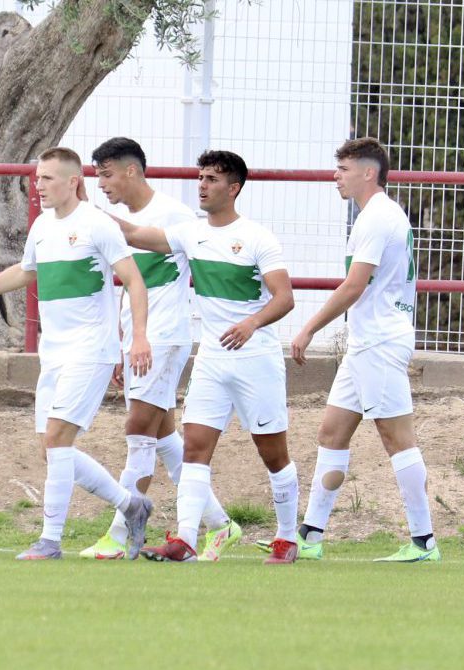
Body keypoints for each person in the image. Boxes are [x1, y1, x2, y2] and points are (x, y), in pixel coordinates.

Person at [0, 146, 154, 561]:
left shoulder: (97, 224)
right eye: (37, 178)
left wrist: (139, 338)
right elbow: (27, 271)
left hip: (91, 350)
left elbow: (134, 281)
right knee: (53, 449)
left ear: (72, 181)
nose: (38, 186)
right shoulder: (42, 225)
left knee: (59, 439)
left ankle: (50, 540)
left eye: (47, 178)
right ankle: (132, 504)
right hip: (54, 352)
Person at [114, 150, 301, 565]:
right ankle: (185, 540)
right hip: (213, 360)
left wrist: (251, 324)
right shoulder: (189, 232)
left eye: (212, 179)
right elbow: (136, 235)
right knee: (195, 449)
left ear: (233, 189)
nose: (201, 185)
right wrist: (86, 214)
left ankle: (288, 538)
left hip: (256, 361)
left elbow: (285, 297)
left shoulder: (257, 237)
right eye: (200, 177)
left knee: (273, 455)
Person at [78, 137, 241, 562]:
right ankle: (222, 525)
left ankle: (120, 530)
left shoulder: (173, 215)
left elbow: (142, 243)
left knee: (137, 431)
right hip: (139, 341)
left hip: (164, 338)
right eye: (96, 178)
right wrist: (124, 339)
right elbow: (128, 283)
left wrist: (75, 200)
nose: (102, 185)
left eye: (107, 175)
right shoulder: (125, 220)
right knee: (165, 438)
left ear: (132, 171)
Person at [288, 137, 439, 563]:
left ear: (368, 173)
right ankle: (310, 536)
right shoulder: (378, 215)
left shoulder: (377, 217)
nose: (336, 176)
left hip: (379, 341)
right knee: (332, 432)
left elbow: (355, 285)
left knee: (397, 438)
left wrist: (309, 329)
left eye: (344, 169)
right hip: (365, 342)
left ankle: (424, 541)